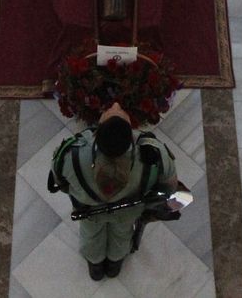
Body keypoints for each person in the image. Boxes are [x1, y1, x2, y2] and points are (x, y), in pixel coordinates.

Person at [48, 103, 179, 281]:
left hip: (88, 211)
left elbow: (60, 183)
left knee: (91, 234)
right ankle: (114, 264)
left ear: (96, 134)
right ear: (132, 138)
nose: (116, 105)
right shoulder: (155, 155)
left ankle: (95, 265)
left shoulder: (71, 154)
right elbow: (169, 187)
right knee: (122, 234)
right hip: (128, 212)